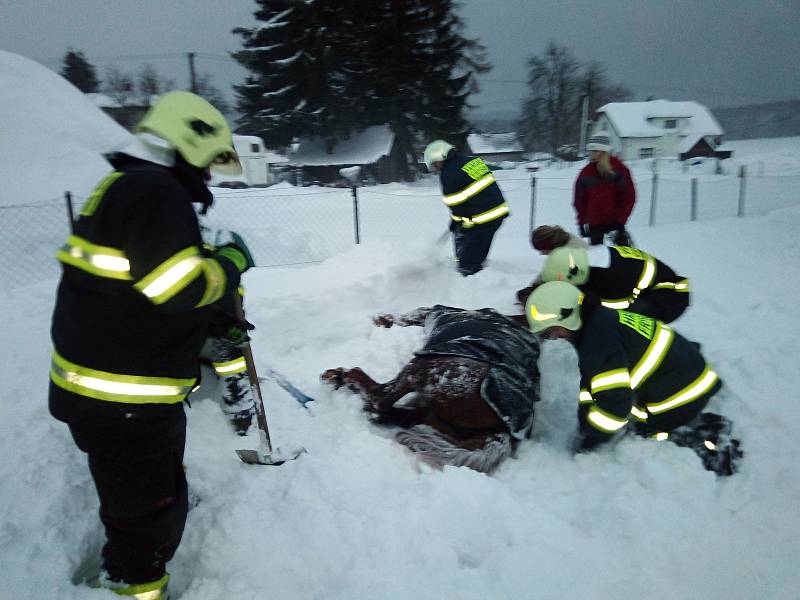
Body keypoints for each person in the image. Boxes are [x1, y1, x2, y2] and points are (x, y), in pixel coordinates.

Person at [49, 91, 254, 599]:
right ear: (189, 143)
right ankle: (134, 584)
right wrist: (230, 264)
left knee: (139, 494)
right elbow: (175, 288)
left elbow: (137, 285)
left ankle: (158, 511)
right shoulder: (155, 192)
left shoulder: (124, 186)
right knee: (143, 522)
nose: (207, 181)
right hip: (125, 403)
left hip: (102, 395)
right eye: (207, 167)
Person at [524, 281, 742, 476]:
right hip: (688, 371)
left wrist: (590, 441)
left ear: (567, 317)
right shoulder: (600, 320)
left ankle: (707, 442)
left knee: (641, 430)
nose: (553, 337)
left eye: (552, 330)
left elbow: (613, 410)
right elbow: (594, 382)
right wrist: (584, 419)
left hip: (685, 393)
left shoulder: (597, 344)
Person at [538, 244, 690, 323]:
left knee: (622, 324)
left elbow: (599, 311)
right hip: (656, 291)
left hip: (669, 297)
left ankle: (670, 354)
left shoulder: (608, 279)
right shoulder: (586, 261)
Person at [423, 140, 510, 276]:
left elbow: (456, 203)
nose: (435, 168)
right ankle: (471, 273)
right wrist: (456, 221)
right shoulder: (470, 161)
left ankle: (469, 282)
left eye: (434, 164)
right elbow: (470, 195)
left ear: (441, 157)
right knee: (473, 250)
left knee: (468, 261)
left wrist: (456, 221)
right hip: (497, 212)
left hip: (483, 218)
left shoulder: (449, 173)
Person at [574, 131, 635, 246]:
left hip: (615, 223)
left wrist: (620, 221)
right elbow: (579, 201)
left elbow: (629, 197)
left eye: (595, 151)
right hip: (595, 225)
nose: (591, 154)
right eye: (590, 151)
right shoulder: (586, 173)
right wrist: (581, 222)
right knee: (598, 259)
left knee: (623, 258)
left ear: (604, 152)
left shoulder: (620, 170)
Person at [515, 224, 588, 305]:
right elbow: (550, 270)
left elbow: (561, 279)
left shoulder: (569, 253)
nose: (541, 253)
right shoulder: (562, 242)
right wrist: (536, 285)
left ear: (548, 245)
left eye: (542, 249)